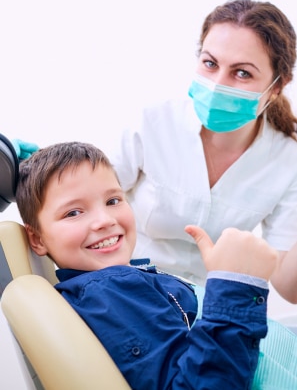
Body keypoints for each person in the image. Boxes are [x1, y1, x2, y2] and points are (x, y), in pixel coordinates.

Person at [15, 141, 278, 390]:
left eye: (113, 201)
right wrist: (236, 286)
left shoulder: (115, 283)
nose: (104, 220)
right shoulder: (111, 292)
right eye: (73, 212)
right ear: (37, 239)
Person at [108, 0, 297, 302]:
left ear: (276, 87)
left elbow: (289, 289)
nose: (218, 84)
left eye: (242, 73)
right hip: (127, 292)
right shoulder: (153, 123)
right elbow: (85, 203)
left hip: (207, 310)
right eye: (210, 64)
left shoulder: (287, 159)